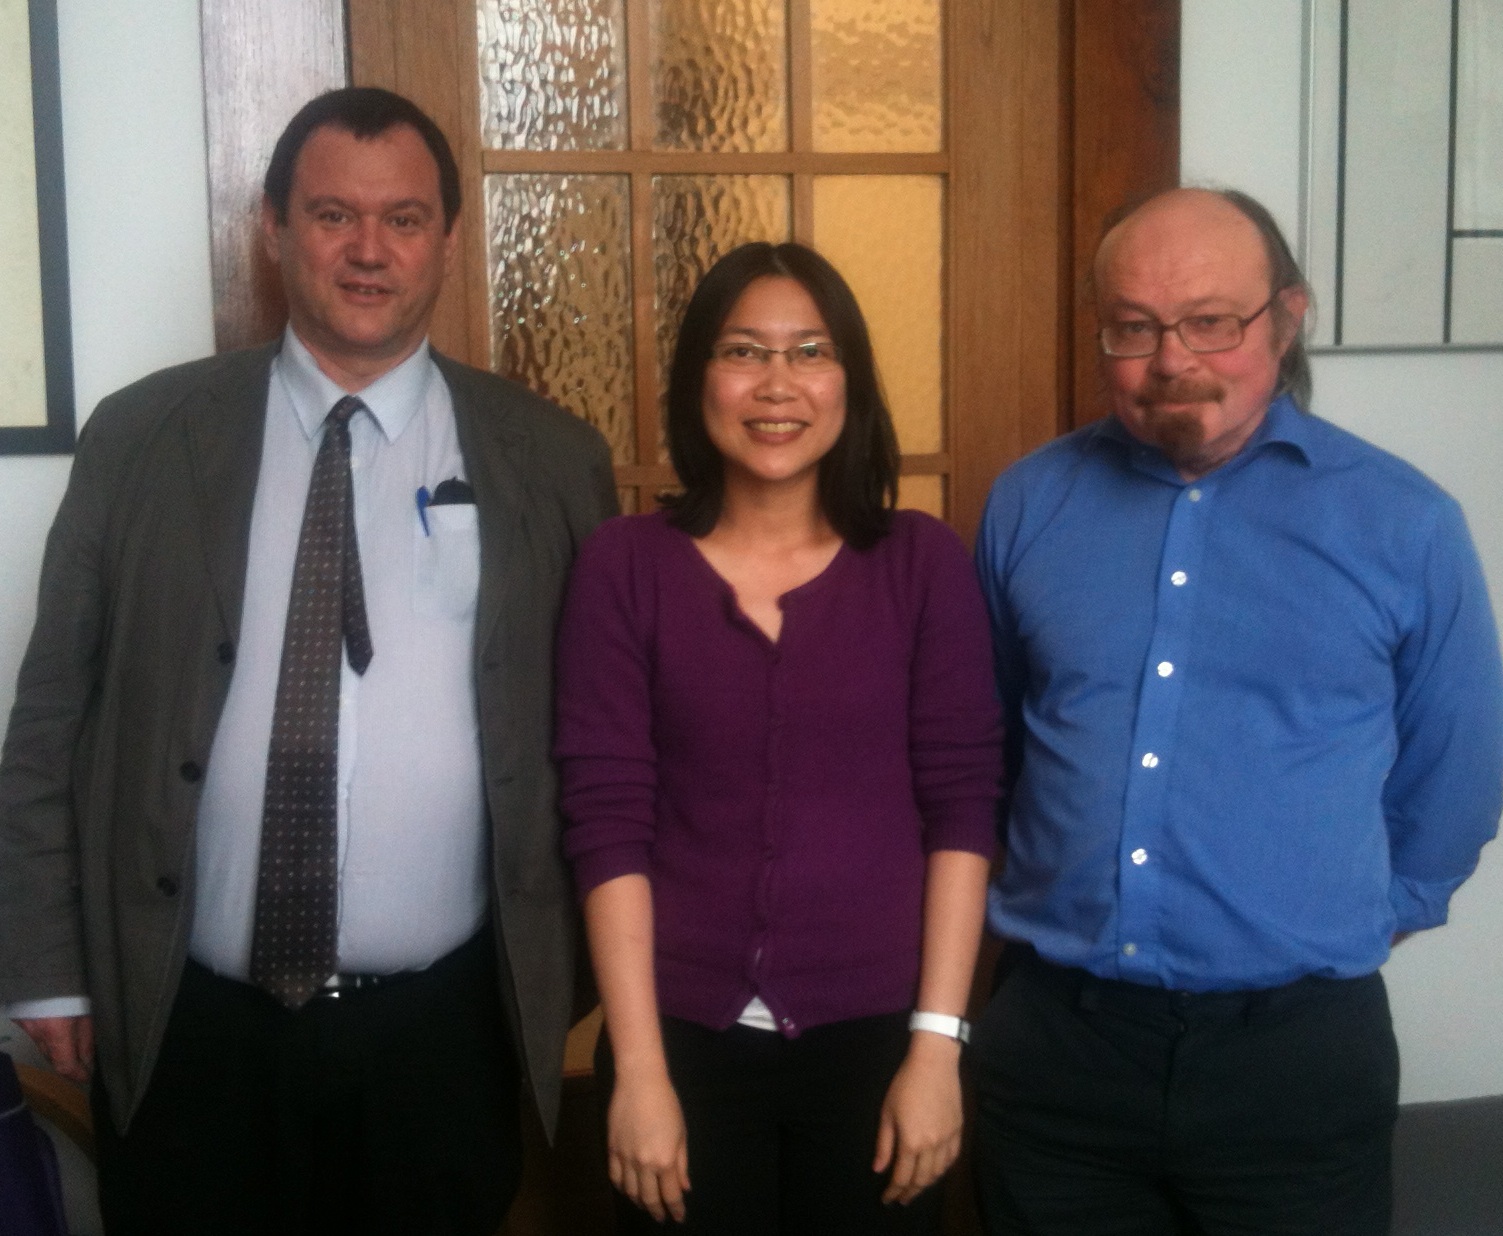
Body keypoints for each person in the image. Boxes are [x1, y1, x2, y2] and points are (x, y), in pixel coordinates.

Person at [0, 87, 616, 1234]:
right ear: (275, 229)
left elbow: (603, 740)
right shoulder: (143, 439)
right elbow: (51, 720)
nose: (369, 251)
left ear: (447, 237)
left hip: (445, 1028)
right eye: (334, 214)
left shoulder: (550, 458)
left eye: (404, 219)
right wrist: (48, 968)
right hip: (187, 1022)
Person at [969, 186, 1503, 1235]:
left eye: (1213, 321)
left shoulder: (1405, 525)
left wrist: (1340, 915)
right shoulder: (1030, 504)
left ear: (1287, 318)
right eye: (1134, 328)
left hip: (1295, 1060)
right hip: (1059, 1053)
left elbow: (1455, 780)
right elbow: (985, 750)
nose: (1174, 360)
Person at [554, 241, 1001, 1234]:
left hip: (884, 1045)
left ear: (851, 383)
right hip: (679, 1044)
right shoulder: (624, 567)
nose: (776, 384)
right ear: (698, 380)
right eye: (744, 351)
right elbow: (607, 822)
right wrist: (636, 1071)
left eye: (810, 352)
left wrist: (937, 1048)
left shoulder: (920, 563)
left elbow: (964, 810)